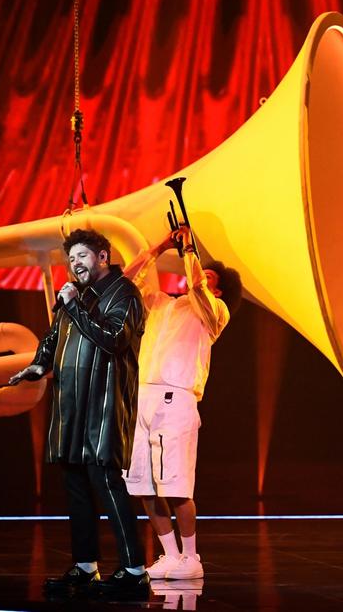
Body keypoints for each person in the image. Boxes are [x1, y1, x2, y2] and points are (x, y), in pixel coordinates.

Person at [10, 229, 147, 596]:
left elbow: (115, 339)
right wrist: (39, 365)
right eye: (71, 259)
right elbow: (54, 336)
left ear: (103, 257)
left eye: (82, 256)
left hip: (103, 401)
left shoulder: (124, 293)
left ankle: (134, 569)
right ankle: (86, 565)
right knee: (74, 481)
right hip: (71, 401)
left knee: (105, 480)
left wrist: (73, 306)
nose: (75, 264)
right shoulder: (77, 296)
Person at [121, 226, 241, 580]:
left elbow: (198, 288)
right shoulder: (159, 304)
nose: (196, 277)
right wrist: (159, 248)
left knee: (175, 486)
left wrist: (190, 251)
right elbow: (125, 283)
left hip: (177, 400)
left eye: (206, 276)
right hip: (142, 396)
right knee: (144, 485)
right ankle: (170, 555)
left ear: (217, 289)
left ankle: (191, 557)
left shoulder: (213, 312)